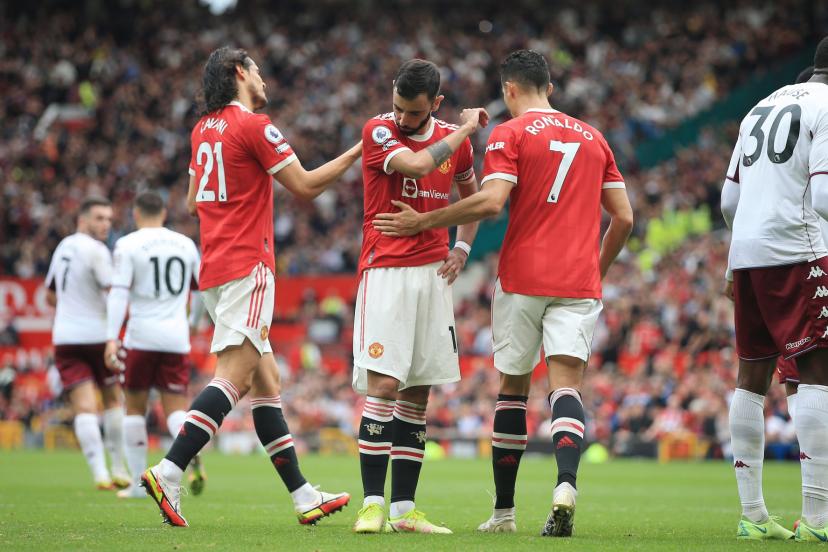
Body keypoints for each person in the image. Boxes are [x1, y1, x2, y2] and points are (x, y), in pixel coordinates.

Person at [372, 49, 633, 537]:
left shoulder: (509, 134)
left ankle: (505, 513)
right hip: (579, 281)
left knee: (513, 390)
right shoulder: (595, 138)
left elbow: (491, 203)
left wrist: (424, 221)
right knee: (566, 387)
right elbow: (624, 218)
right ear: (549, 88)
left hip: (522, 277)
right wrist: (594, 269)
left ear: (509, 89)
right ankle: (566, 485)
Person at [141, 46, 362, 527]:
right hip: (248, 264)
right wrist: (359, 150)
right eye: (257, 70)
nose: (264, 80)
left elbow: (192, 197)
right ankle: (170, 470)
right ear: (239, 73)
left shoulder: (202, 129)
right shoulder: (255, 126)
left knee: (268, 382)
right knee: (234, 378)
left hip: (215, 267)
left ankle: (303, 495)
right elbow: (304, 186)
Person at [350, 58, 487, 534]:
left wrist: (464, 247)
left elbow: (472, 196)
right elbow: (417, 163)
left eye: (413, 112)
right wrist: (467, 128)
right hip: (386, 270)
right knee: (383, 386)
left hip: (433, 275)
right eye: (398, 107)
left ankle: (404, 511)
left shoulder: (455, 142)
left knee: (417, 394)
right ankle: (371, 505)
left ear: (436, 104)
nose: (403, 118)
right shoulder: (378, 131)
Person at [720, 37, 828, 542]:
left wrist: (732, 260)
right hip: (798, 247)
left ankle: (753, 516)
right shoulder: (827, 108)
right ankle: (818, 520)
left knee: (751, 376)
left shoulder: (760, 106)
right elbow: (824, 195)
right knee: (815, 372)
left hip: (747, 253)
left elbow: (727, 200)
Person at [105, 191, 206, 498]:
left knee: (134, 408)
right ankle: (190, 451)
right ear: (164, 214)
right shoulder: (185, 244)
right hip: (176, 337)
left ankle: (138, 484)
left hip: (141, 337)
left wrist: (111, 337)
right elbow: (201, 290)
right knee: (176, 407)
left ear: (136, 214)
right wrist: (194, 324)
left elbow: (119, 292)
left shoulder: (128, 244)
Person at [45, 196, 129, 490]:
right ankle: (118, 467)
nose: (106, 224)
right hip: (97, 335)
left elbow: (50, 295)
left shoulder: (63, 247)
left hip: (66, 337)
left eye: (108, 219)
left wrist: (71, 307)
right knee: (111, 400)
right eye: (99, 218)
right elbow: (114, 291)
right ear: (82, 220)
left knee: (84, 407)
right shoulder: (96, 251)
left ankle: (99, 474)